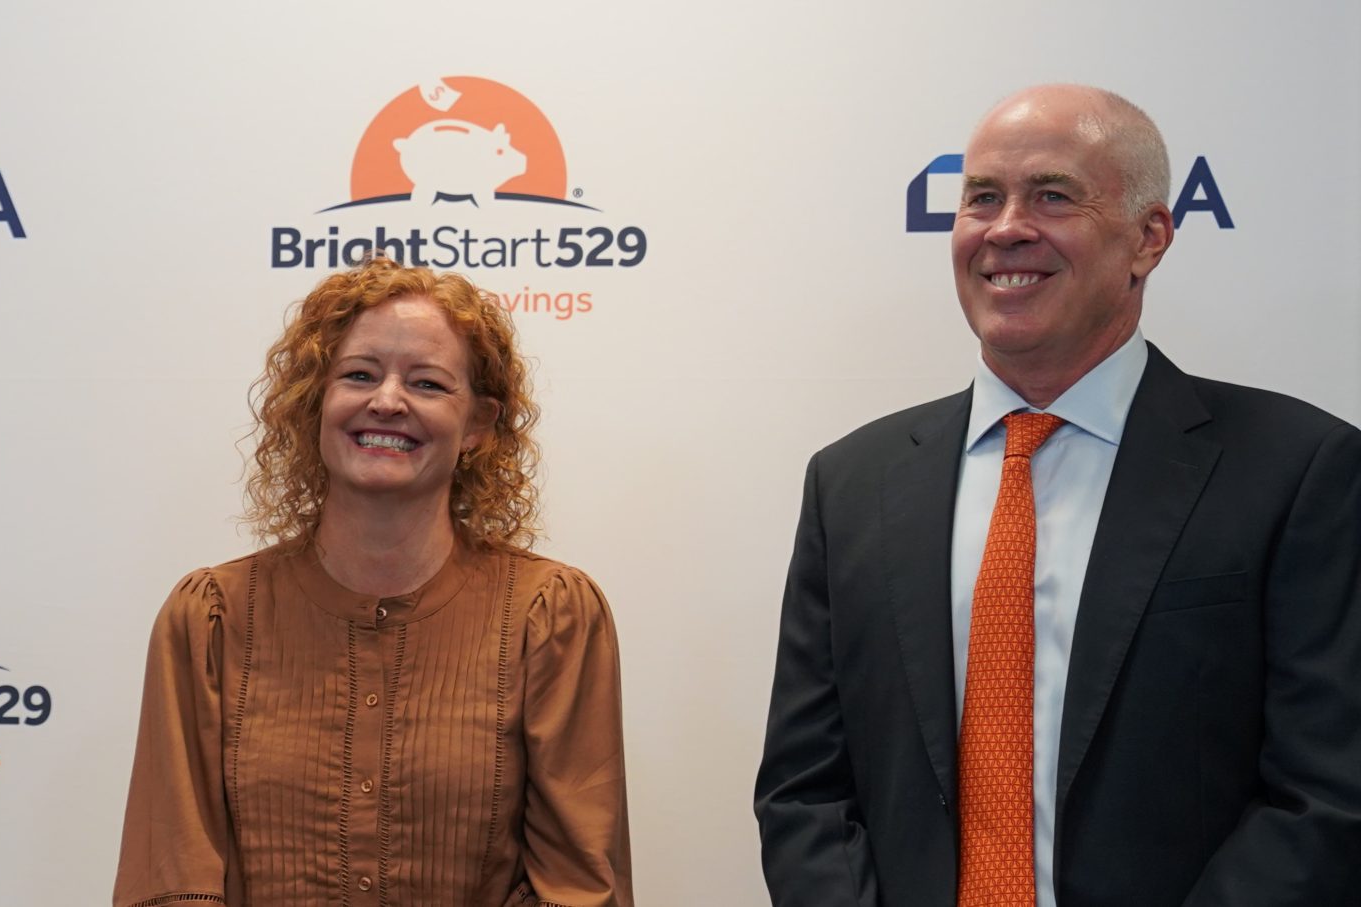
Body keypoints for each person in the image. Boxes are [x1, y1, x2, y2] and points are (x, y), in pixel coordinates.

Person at [754, 84, 1361, 906]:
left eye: (1052, 195)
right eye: (982, 197)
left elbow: (1326, 796)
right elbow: (806, 792)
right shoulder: (851, 483)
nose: (1006, 227)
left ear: (1149, 237)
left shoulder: (1297, 469)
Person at [115, 257, 632, 906]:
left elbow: (577, 888)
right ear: (315, 401)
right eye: (359, 374)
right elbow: (170, 883)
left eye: (427, 383)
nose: (387, 401)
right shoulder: (210, 618)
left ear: (478, 424)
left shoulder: (548, 617)